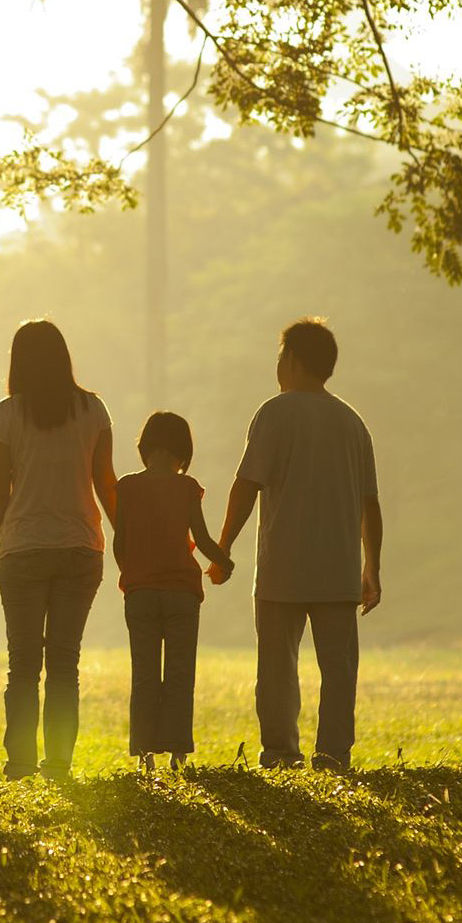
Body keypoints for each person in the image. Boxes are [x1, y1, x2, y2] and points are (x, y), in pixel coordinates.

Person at [211, 318, 383, 772]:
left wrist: (223, 546)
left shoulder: (275, 412)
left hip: (281, 568)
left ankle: (281, 753)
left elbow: (246, 485)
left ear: (291, 359)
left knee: (277, 670)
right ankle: (333, 756)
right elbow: (370, 503)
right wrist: (372, 567)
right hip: (338, 570)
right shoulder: (352, 422)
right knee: (339, 671)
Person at [0, 320, 116, 781]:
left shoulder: (6, 414)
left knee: (22, 665)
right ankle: (58, 764)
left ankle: (20, 763)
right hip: (81, 548)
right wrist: (126, 538)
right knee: (64, 663)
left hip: (22, 549)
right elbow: (105, 483)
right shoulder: (93, 409)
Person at [113, 411, 234, 771]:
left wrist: (132, 573)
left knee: (144, 673)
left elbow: (120, 542)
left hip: (140, 593)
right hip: (182, 592)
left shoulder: (127, 487)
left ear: (145, 448)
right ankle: (178, 753)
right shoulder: (187, 487)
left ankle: (145, 754)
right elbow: (202, 538)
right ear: (183, 451)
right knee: (180, 673)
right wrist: (225, 562)